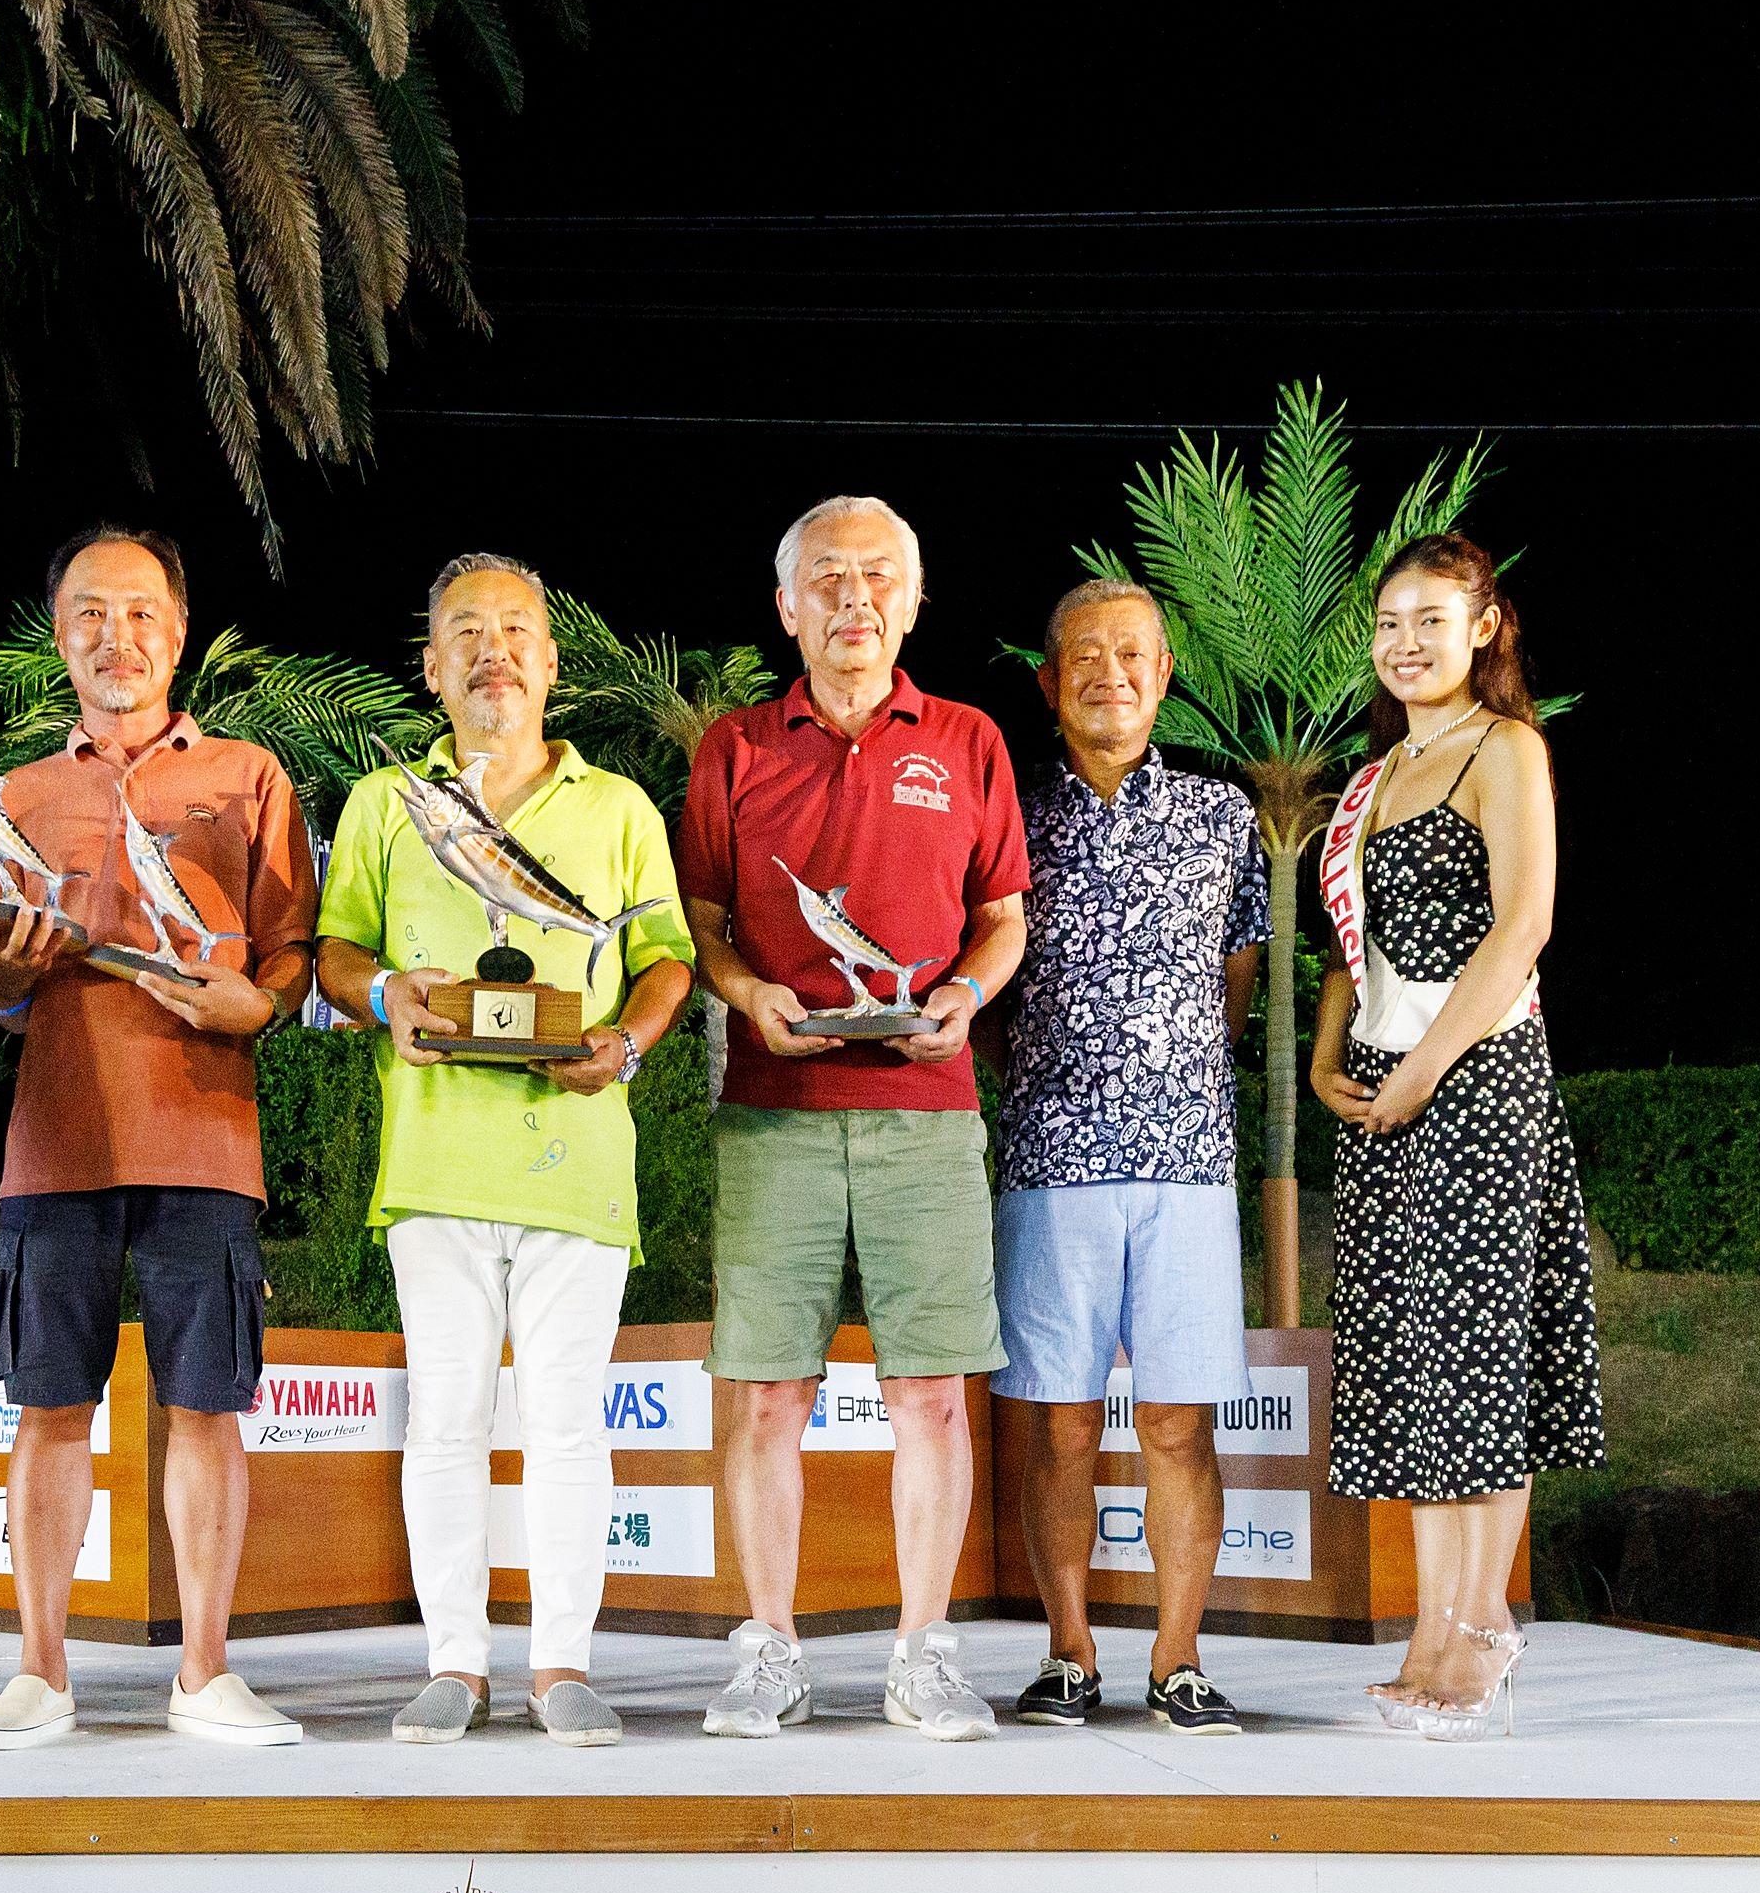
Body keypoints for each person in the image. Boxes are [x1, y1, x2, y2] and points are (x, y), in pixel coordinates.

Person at [317, 554, 698, 1748]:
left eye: (518, 630)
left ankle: (562, 1662)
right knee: (445, 1418)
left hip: (577, 1161)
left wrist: (625, 1045)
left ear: (550, 661)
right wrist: (384, 993)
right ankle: (455, 1662)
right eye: (468, 632)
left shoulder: (619, 807)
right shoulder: (386, 803)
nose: (495, 650)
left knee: (568, 1419)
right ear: (431, 667)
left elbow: (668, 959)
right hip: (435, 1160)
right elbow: (335, 952)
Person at [674, 496, 1030, 1743]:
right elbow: (703, 921)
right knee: (767, 1394)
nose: (854, 597)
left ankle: (923, 1654)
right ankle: (769, 1648)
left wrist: (965, 995)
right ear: (787, 605)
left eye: (879, 575)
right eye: (827, 577)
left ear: (914, 601)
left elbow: (1002, 917)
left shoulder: (970, 738)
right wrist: (745, 993)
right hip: (774, 1113)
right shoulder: (734, 746)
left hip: (927, 1111)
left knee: (930, 1395)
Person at [0, 524, 319, 1749]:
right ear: (60, 636)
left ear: (178, 630)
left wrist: (259, 1003)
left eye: (141, 613)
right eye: (91, 614)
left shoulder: (249, 776)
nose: (118, 637)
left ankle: (205, 1672)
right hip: (56, 1141)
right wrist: (6, 975)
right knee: (48, 1406)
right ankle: (40, 1671)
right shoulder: (15, 796)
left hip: (205, 1136)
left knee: (206, 1406)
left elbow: (292, 950)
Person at [1305, 532, 1604, 1740]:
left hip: (1477, 1082)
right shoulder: (1375, 776)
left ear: (1485, 627)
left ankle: (1482, 1626)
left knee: (1481, 1358)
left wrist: (1427, 1067)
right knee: (1416, 1361)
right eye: (1389, 623)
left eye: (1431, 619)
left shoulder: (1505, 748)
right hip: (1383, 1089)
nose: (1406, 642)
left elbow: (1523, 925)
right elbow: (1348, 950)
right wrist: (1328, 1056)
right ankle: (1428, 1629)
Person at [988, 577, 1267, 1735]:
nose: (1110, 673)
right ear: (1049, 681)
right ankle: (1068, 1654)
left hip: (1188, 1162)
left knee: (1177, 1425)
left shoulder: (1223, 816)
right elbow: (987, 989)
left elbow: (1237, 983)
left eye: (1133, 654)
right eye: (1086, 656)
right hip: (1050, 1157)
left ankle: (1178, 1659)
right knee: (1057, 1421)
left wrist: (1168, 1071)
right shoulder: (1008, 815)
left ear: (1163, 675)